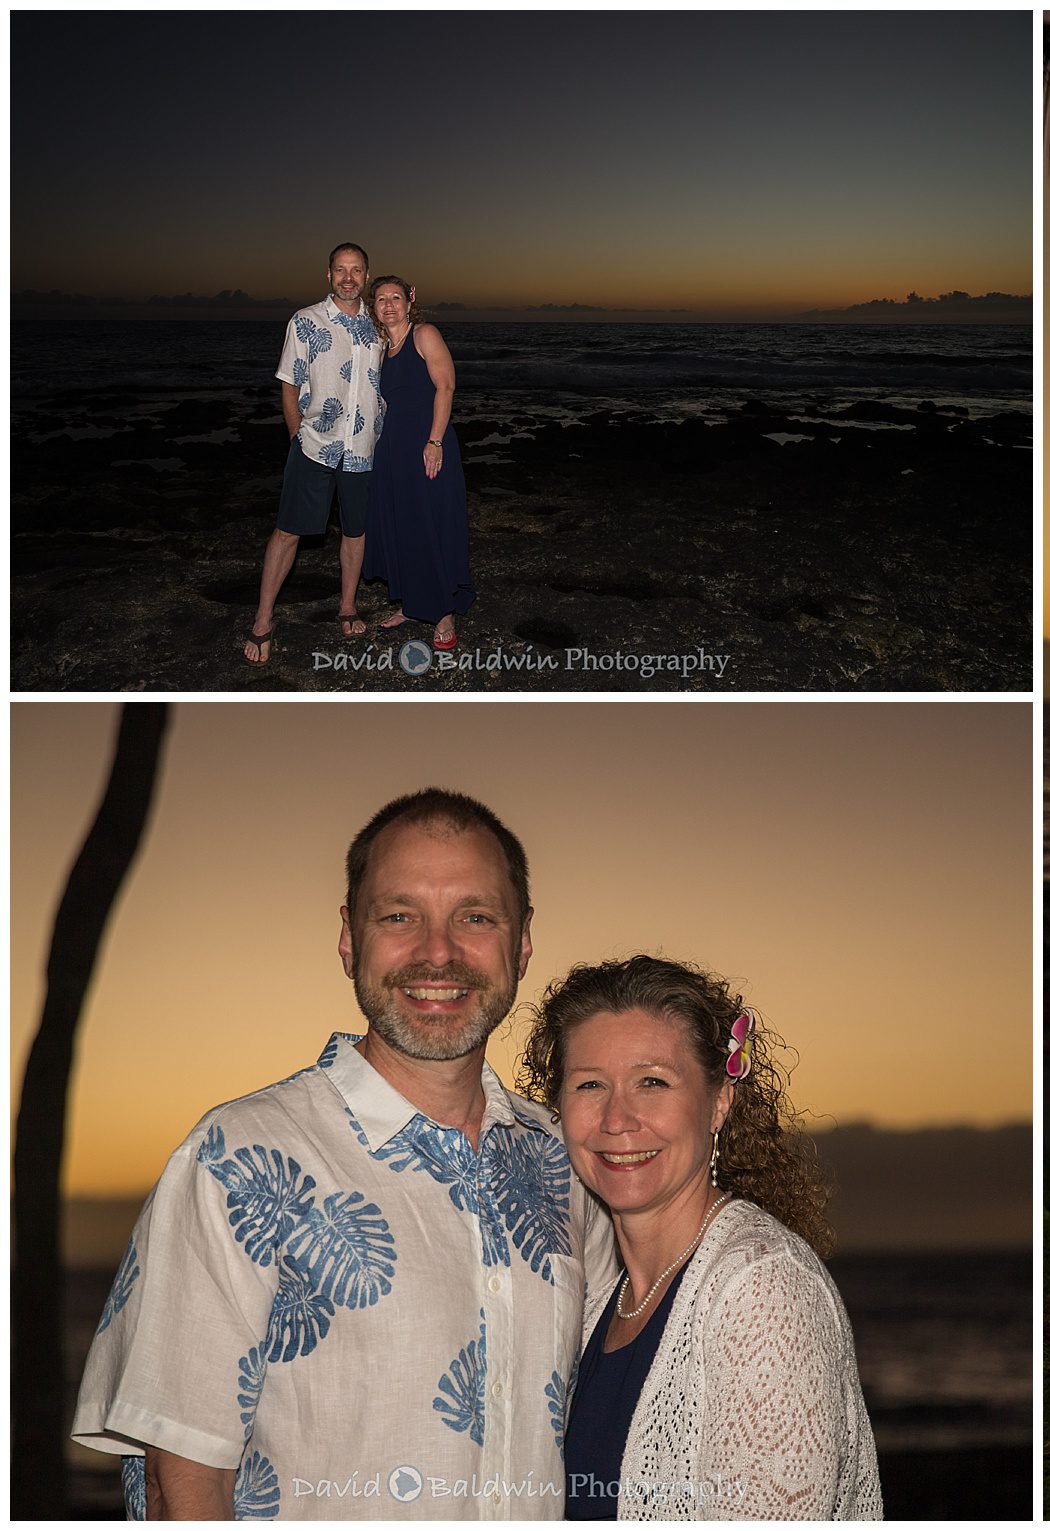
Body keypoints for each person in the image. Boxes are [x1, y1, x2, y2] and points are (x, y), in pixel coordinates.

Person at [74, 789, 613, 1518]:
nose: (438, 951)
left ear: (520, 944)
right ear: (348, 939)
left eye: (476, 916)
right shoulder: (240, 1159)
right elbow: (185, 1480)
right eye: (399, 915)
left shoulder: (568, 1167)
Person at [519, 956, 882, 1520]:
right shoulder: (601, 1301)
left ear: (718, 1103)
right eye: (590, 1084)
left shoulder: (761, 1290)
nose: (618, 1118)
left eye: (653, 1082)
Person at [245, 242, 385, 664]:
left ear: (365, 275)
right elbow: (289, 382)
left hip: (363, 447)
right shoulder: (304, 321)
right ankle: (262, 620)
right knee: (288, 531)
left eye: (356, 270)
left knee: (355, 532)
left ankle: (347, 606)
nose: (348, 277)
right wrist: (295, 437)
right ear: (329, 275)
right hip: (314, 445)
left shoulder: (378, 325)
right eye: (341, 270)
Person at [365, 277, 473, 651]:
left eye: (395, 297)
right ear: (373, 307)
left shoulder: (424, 334)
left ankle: (443, 613)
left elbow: (446, 387)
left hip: (428, 443)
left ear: (410, 301)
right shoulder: (381, 350)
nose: (389, 304)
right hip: (393, 448)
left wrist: (435, 440)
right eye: (381, 299)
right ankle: (412, 605)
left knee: (431, 521)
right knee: (403, 523)